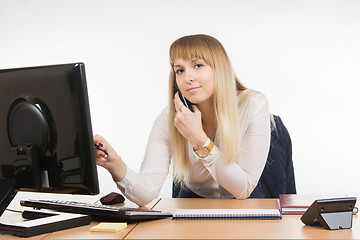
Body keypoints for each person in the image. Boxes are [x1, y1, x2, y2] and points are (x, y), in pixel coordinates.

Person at [94, 34, 271, 206]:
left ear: (220, 68)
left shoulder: (253, 105)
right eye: (180, 70)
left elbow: (243, 189)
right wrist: (114, 164)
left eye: (198, 65)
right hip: (193, 202)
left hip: (245, 201)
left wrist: (199, 140)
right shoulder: (169, 118)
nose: (187, 78)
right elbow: (146, 194)